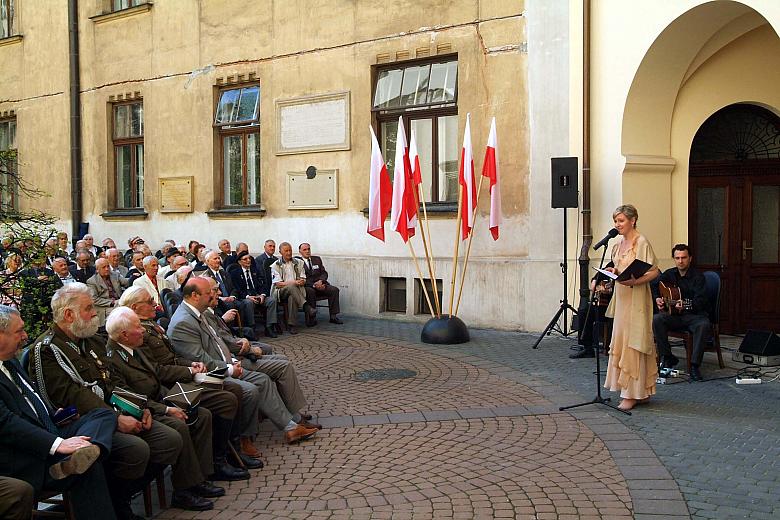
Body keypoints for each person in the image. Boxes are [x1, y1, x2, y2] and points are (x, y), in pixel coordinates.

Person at [27, 284, 182, 519]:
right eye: (88, 308)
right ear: (69, 315)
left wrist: (140, 408)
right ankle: (118, 506)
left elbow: (111, 384)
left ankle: (117, 497)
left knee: (170, 440)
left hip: (115, 412)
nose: (94, 313)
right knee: (135, 450)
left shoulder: (91, 341)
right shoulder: (47, 349)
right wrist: (116, 418)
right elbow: (72, 396)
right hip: (84, 424)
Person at [117, 286, 259, 472]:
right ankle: (218, 461)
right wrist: (189, 371)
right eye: (149, 301)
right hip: (171, 388)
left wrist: (191, 364)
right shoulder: (138, 333)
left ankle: (231, 452)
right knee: (226, 398)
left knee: (233, 389)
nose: (155, 304)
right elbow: (158, 371)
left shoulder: (151, 326)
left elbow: (173, 357)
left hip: (180, 379)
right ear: (135, 308)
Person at [167, 278, 318, 446]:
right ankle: (248, 440)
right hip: (209, 376)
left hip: (227, 362)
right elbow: (201, 361)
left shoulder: (198, 313)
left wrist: (233, 358)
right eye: (209, 292)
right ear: (195, 295)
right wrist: (231, 368)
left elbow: (218, 343)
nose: (214, 295)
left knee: (266, 376)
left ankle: (291, 425)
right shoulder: (183, 322)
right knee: (255, 386)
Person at [0, 305, 118, 519]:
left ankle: (90, 450)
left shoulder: (10, 362)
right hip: (25, 453)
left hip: (52, 430)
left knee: (103, 414)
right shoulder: (40, 351)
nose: (25, 336)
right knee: (88, 468)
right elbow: (7, 424)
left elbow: (31, 401)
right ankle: (84, 456)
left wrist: (55, 414)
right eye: (19, 331)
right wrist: (58, 444)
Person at [105, 309, 222, 511]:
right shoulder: (112, 359)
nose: (143, 330)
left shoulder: (135, 347)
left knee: (203, 413)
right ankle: (183, 490)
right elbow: (129, 397)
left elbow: (157, 377)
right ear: (123, 334)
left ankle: (200, 477)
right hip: (147, 408)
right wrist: (167, 409)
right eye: (137, 327)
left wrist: (180, 397)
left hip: (162, 396)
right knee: (179, 425)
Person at [603, 205, 660, 411]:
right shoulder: (617, 244)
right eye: (616, 221)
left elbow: (654, 271)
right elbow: (621, 268)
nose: (617, 225)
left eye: (621, 221)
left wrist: (636, 281)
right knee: (621, 338)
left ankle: (632, 394)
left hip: (636, 297)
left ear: (633, 220)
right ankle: (639, 391)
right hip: (622, 297)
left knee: (634, 340)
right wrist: (613, 270)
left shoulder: (641, 242)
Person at [651, 244, 711, 381]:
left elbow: (702, 301)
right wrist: (657, 298)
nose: (680, 261)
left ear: (690, 258)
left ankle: (695, 365)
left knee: (703, 325)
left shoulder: (698, 277)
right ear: (674, 259)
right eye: (677, 258)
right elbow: (654, 286)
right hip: (674, 316)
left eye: (684, 257)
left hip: (693, 316)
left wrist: (686, 305)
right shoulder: (669, 274)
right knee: (657, 320)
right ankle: (668, 357)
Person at [230, 250, 278, 338]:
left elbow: (263, 284)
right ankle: (252, 328)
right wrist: (248, 296)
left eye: (249, 258)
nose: (248, 261)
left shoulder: (255, 270)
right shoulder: (235, 273)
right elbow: (237, 289)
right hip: (245, 296)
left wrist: (263, 295)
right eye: (245, 259)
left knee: (272, 301)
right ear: (239, 262)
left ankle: (269, 327)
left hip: (257, 294)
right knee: (248, 303)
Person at [271, 242, 315, 334]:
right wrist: (294, 282)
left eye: (290, 250)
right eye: (286, 251)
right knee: (291, 286)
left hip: (296, 291)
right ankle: (306, 306)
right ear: (280, 252)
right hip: (281, 291)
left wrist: (302, 281)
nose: (288, 253)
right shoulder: (275, 265)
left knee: (292, 297)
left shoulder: (299, 262)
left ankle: (292, 325)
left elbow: (303, 278)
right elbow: (278, 284)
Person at [298, 243, 343, 325]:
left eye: (308, 249)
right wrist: (314, 285)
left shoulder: (317, 259)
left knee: (334, 290)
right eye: (305, 250)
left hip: (320, 284)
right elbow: (300, 278)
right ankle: (311, 318)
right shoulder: (298, 262)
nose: (307, 251)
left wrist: (321, 281)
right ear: (300, 251)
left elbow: (324, 273)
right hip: (308, 286)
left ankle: (333, 316)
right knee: (310, 292)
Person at [87, 258, 129, 327]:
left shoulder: (115, 275)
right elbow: (94, 299)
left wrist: (134, 278)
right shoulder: (92, 282)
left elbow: (126, 282)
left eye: (108, 266)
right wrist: (112, 302)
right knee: (122, 312)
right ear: (97, 269)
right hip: (104, 308)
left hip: (120, 302)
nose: (107, 269)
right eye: (103, 267)